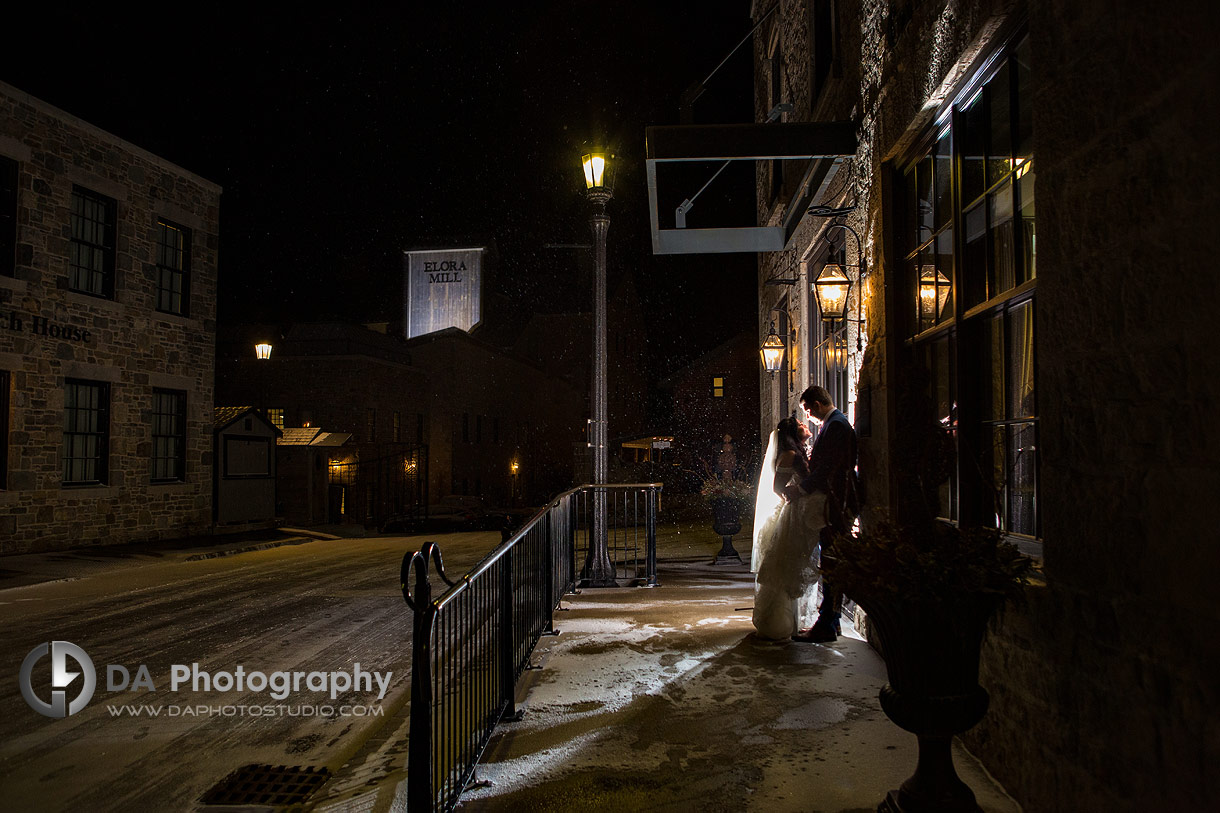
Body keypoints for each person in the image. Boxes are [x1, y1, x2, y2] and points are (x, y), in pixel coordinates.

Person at [787, 385, 860, 644]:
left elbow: (830, 467)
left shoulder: (837, 425)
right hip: (832, 502)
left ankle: (828, 624)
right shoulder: (835, 424)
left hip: (835, 504)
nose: (808, 416)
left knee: (831, 562)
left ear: (817, 404)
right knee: (830, 561)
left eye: (808, 409)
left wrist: (802, 488)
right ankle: (832, 620)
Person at [750, 417, 826, 639]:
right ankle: (779, 623)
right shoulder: (790, 455)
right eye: (801, 425)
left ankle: (792, 621)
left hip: (801, 511)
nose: (805, 425)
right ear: (794, 433)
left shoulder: (797, 453)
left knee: (793, 565)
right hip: (793, 513)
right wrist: (793, 496)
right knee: (788, 567)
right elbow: (777, 487)